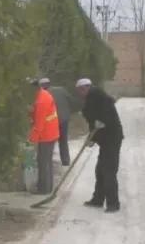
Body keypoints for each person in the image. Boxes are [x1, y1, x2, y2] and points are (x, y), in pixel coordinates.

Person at [76, 78, 124, 213]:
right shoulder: (91, 98)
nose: (79, 94)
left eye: (80, 90)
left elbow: (108, 109)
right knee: (100, 170)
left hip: (112, 138)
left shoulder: (99, 95)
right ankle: (97, 199)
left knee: (109, 171)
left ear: (85, 88)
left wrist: (103, 121)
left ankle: (113, 204)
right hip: (105, 139)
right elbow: (93, 121)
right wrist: (92, 138)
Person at [29, 79, 60, 194]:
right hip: (51, 132)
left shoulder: (42, 100)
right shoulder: (42, 94)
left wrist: (32, 140)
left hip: (46, 134)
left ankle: (43, 189)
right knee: (46, 161)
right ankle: (48, 187)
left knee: (43, 161)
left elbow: (39, 124)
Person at [41, 78, 73, 166]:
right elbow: (71, 100)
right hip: (64, 119)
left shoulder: (43, 94)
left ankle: (48, 161)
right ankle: (66, 160)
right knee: (63, 140)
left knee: (50, 141)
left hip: (52, 120)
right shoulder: (61, 90)